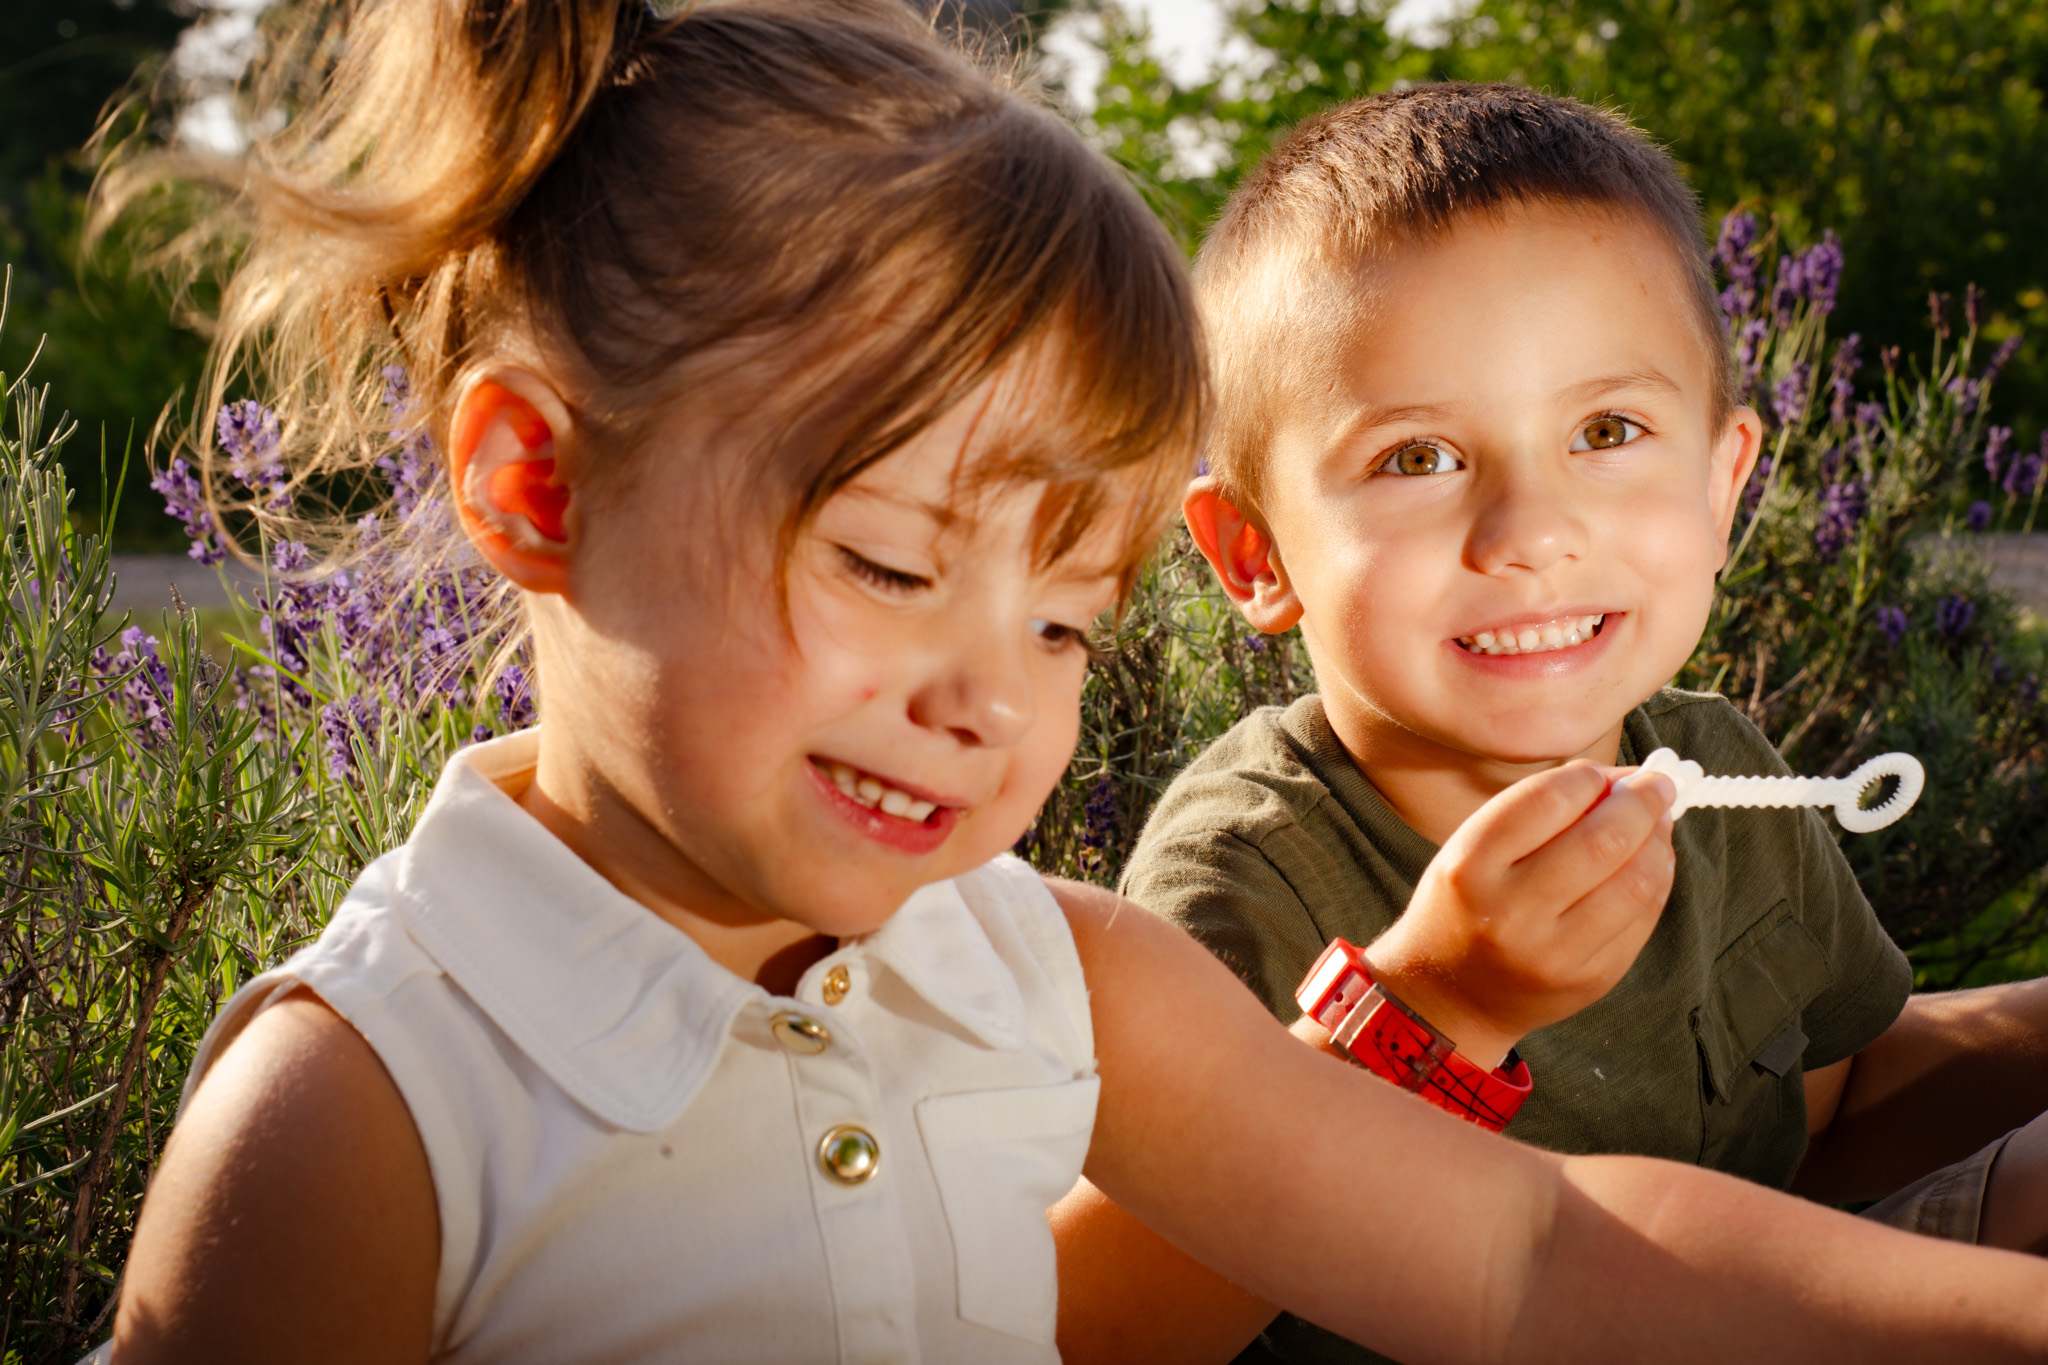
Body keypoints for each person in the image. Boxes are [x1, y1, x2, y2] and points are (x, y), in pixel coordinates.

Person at [103, 9, 2048, 1363]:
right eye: (887, 563)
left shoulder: (1057, 971)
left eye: (1064, 624)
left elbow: (1534, 1253)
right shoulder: (364, 1109)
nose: (987, 699)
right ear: (535, 481)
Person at [1057, 84, 2048, 1365]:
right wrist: (1435, 1007)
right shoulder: (1247, 877)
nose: (1530, 534)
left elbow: (1840, 1100)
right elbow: (1122, 1330)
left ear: (1718, 484)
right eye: (1417, 457)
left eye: (1605, 431)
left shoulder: (1714, 771)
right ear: (1252, 552)